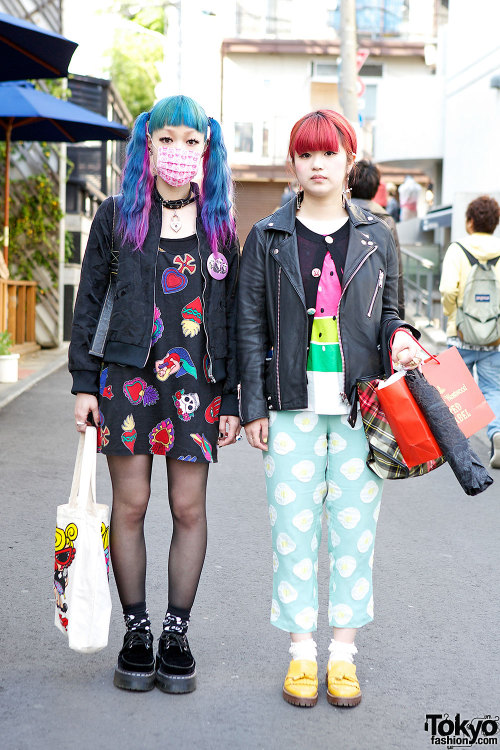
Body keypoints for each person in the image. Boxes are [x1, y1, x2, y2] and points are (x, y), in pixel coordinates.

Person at [237, 109, 422, 709]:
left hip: (359, 409)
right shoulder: (266, 237)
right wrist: (253, 404)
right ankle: (300, 654)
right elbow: (247, 325)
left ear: (349, 161)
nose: (318, 163)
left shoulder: (377, 235)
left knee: (352, 532)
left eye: (329, 153)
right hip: (289, 405)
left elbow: (391, 311)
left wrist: (401, 336)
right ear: (292, 162)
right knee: (292, 535)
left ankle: (342, 656)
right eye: (306, 153)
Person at [69, 95, 240, 693]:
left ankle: (176, 630)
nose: (178, 152)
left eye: (191, 142)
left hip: (197, 382)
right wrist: (83, 383)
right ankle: (136, 630)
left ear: (207, 151)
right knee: (132, 506)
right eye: (167, 139)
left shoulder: (219, 223)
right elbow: (89, 302)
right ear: (148, 144)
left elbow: (237, 314)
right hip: (127, 378)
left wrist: (237, 400)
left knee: (189, 508)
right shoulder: (117, 215)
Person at [439, 195, 500, 469]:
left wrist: (455, 318)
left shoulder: (457, 249)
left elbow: (447, 289)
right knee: (493, 389)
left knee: (455, 391)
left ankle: (458, 448)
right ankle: (496, 434)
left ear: (470, 222)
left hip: (460, 334)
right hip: (494, 337)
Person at [349, 160, 405, 318]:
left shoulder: (339, 214)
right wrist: (399, 319)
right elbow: (396, 274)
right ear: (375, 188)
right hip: (375, 308)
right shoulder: (386, 221)